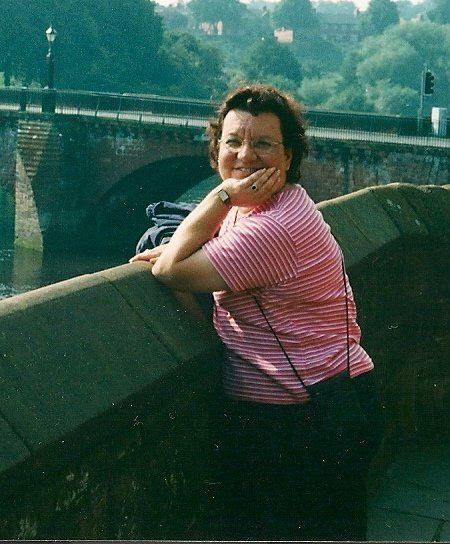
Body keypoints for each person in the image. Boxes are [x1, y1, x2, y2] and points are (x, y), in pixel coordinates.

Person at [130, 84, 383, 540]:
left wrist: (219, 197)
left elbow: (168, 270)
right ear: (217, 149)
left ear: (288, 156)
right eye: (233, 141)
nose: (245, 154)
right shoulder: (272, 206)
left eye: (263, 143)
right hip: (328, 401)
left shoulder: (274, 227)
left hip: (300, 422)